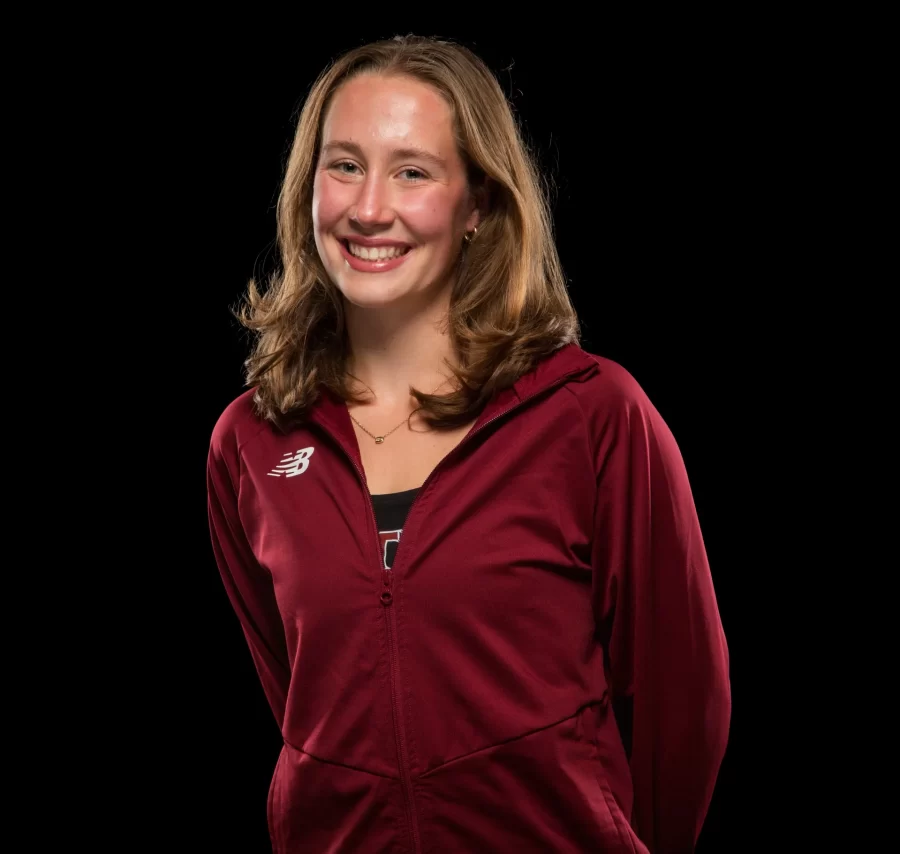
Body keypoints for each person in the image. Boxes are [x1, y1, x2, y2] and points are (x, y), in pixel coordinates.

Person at [207, 34, 730, 853]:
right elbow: (301, 702)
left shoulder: (592, 414)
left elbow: (682, 701)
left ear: (478, 203)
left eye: (412, 172)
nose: (368, 208)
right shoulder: (251, 440)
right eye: (344, 166)